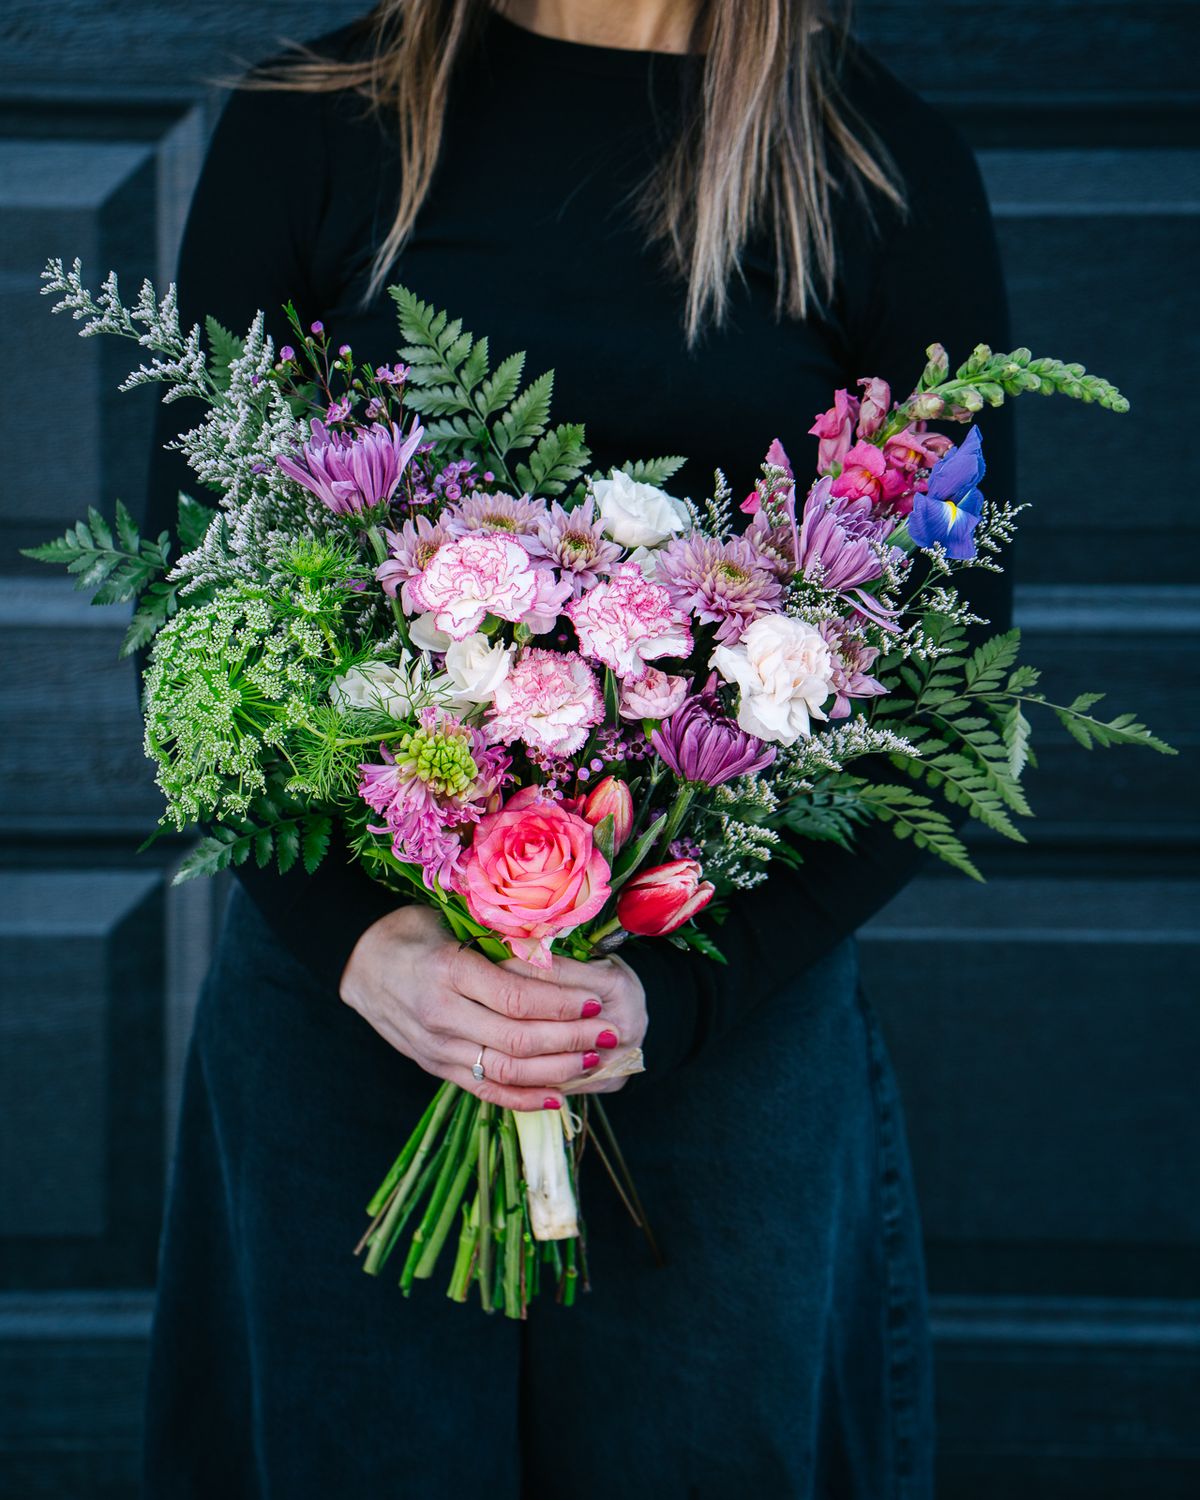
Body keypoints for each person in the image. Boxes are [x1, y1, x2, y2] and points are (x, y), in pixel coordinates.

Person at [142, 2, 1015, 1495]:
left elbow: (956, 672)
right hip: (355, 1014)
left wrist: (666, 994)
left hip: (716, 1026)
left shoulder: (873, 165)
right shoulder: (318, 121)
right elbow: (198, 601)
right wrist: (367, 950)